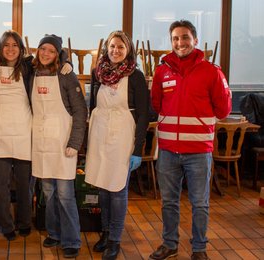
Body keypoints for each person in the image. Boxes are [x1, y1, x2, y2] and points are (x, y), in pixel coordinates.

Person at [149, 20, 232, 260]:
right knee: (169, 202)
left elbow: (224, 109)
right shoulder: (162, 70)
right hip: (167, 150)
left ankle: (199, 249)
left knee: (200, 204)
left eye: (185, 37)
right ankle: (169, 244)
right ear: (171, 41)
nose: (180, 42)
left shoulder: (211, 71)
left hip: (198, 151)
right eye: (175, 38)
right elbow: (156, 103)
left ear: (195, 40)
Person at [0, 30, 73, 241]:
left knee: (26, 185)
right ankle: (5, 225)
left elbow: (51, 55)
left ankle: (25, 222)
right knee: (0, 187)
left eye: (15, 45)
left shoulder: (28, 67)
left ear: (21, 49)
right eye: (6, 45)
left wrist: (65, 59)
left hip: (25, 134)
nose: (10, 49)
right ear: (0, 48)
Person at [84, 30, 149, 260]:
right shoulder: (98, 73)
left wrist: (138, 149)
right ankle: (105, 231)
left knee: (118, 190)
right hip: (100, 134)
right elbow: (93, 106)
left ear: (128, 50)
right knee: (102, 188)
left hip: (123, 136)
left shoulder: (136, 76)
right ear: (107, 49)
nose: (116, 51)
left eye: (121, 47)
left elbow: (143, 115)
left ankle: (115, 239)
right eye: (112, 46)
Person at [30, 34, 87, 258]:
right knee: (48, 192)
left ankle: (71, 239)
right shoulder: (31, 71)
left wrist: (75, 142)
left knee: (65, 194)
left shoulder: (66, 75)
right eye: (43, 49)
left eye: (51, 51)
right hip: (41, 143)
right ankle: (53, 232)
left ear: (58, 54)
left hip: (63, 144)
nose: (45, 53)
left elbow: (81, 111)